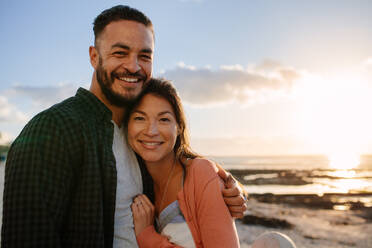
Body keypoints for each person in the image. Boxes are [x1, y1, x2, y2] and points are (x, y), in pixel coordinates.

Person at [1, 5, 247, 248]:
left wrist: (224, 182)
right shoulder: (54, 128)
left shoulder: (134, 135)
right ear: (94, 56)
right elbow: (25, 237)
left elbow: (178, 169)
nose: (133, 66)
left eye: (144, 56)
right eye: (120, 53)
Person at [126, 78, 240, 247]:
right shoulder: (135, 182)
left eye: (164, 119)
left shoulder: (201, 173)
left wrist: (148, 237)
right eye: (139, 118)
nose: (151, 131)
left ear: (179, 127)